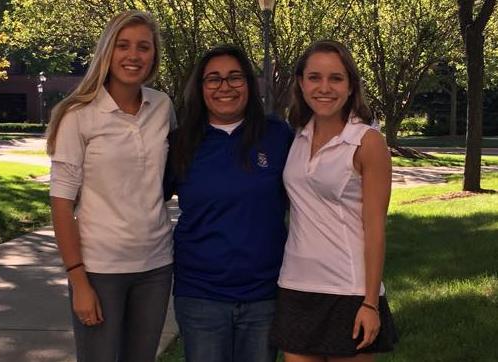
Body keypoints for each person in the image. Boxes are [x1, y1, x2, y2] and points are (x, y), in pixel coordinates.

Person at [46, 10, 176, 362]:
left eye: (143, 47)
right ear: (108, 50)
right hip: (99, 269)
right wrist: (78, 280)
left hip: (156, 266)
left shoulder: (162, 106)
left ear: (153, 56)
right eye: (123, 46)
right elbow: (60, 204)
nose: (133, 56)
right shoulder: (78, 115)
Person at [270, 40, 398, 362]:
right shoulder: (296, 134)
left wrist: (370, 302)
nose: (324, 88)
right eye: (314, 77)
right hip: (295, 284)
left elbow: (375, 229)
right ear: (301, 83)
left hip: (349, 290)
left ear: (351, 85)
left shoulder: (368, 143)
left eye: (336, 78)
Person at [165, 44, 293, 362]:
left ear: (249, 84)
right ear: (200, 87)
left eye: (235, 77)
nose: (225, 86)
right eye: (214, 79)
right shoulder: (180, 143)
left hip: (264, 294)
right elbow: (143, 200)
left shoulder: (277, 136)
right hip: (200, 294)